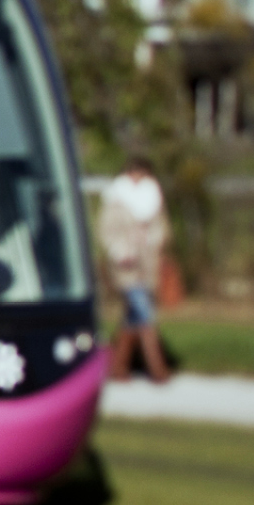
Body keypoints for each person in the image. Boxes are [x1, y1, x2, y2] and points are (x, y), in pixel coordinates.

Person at [99, 155, 171, 384]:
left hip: (147, 263)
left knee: (132, 317)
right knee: (144, 312)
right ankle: (157, 368)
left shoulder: (153, 197)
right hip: (126, 264)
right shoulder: (116, 199)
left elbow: (162, 227)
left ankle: (117, 366)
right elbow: (106, 231)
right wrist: (120, 250)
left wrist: (154, 241)